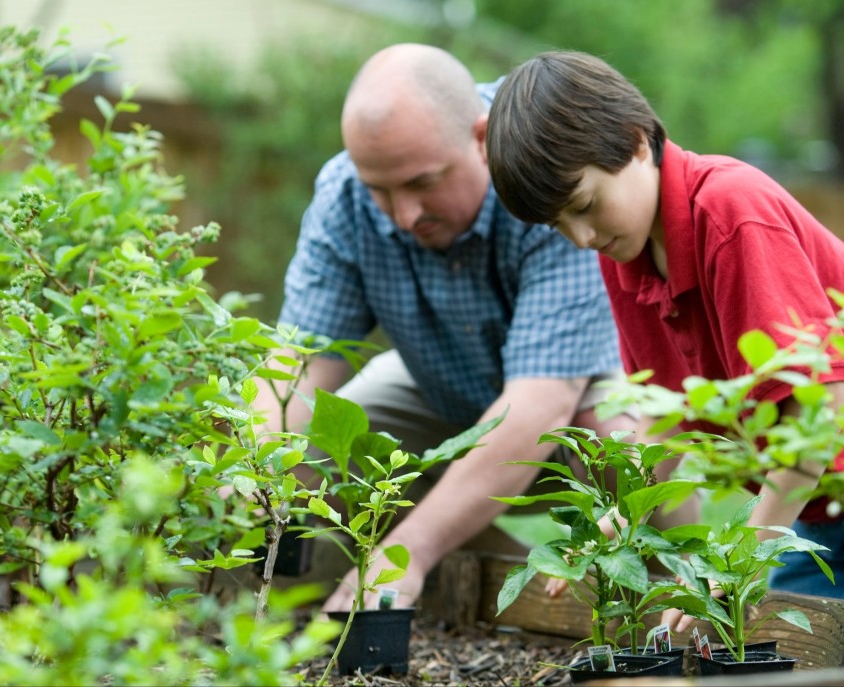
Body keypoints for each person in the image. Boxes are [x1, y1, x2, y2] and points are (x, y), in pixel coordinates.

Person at [250, 43, 656, 615]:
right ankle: (465, 580)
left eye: (422, 183)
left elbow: (540, 404)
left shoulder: (542, 167)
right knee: (324, 447)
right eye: (380, 190)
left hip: (578, 387)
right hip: (437, 382)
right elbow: (298, 364)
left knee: (624, 451)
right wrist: (251, 468)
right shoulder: (344, 194)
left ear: (481, 138)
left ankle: (671, 599)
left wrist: (407, 554)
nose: (404, 214)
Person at [484, 49, 844, 618]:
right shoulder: (624, 253)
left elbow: (820, 406)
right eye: (558, 225)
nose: (581, 238)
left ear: (635, 142)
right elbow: (666, 412)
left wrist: (737, 561)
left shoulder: (729, 212)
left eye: (585, 205)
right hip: (819, 510)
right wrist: (616, 523)